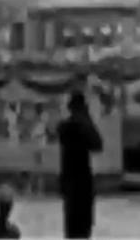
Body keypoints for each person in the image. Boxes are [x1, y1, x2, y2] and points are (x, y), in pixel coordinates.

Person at [57, 90, 103, 239]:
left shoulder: (64, 127)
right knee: (84, 226)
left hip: (69, 180)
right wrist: (87, 118)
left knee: (71, 226)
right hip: (83, 181)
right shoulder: (84, 127)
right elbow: (98, 145)